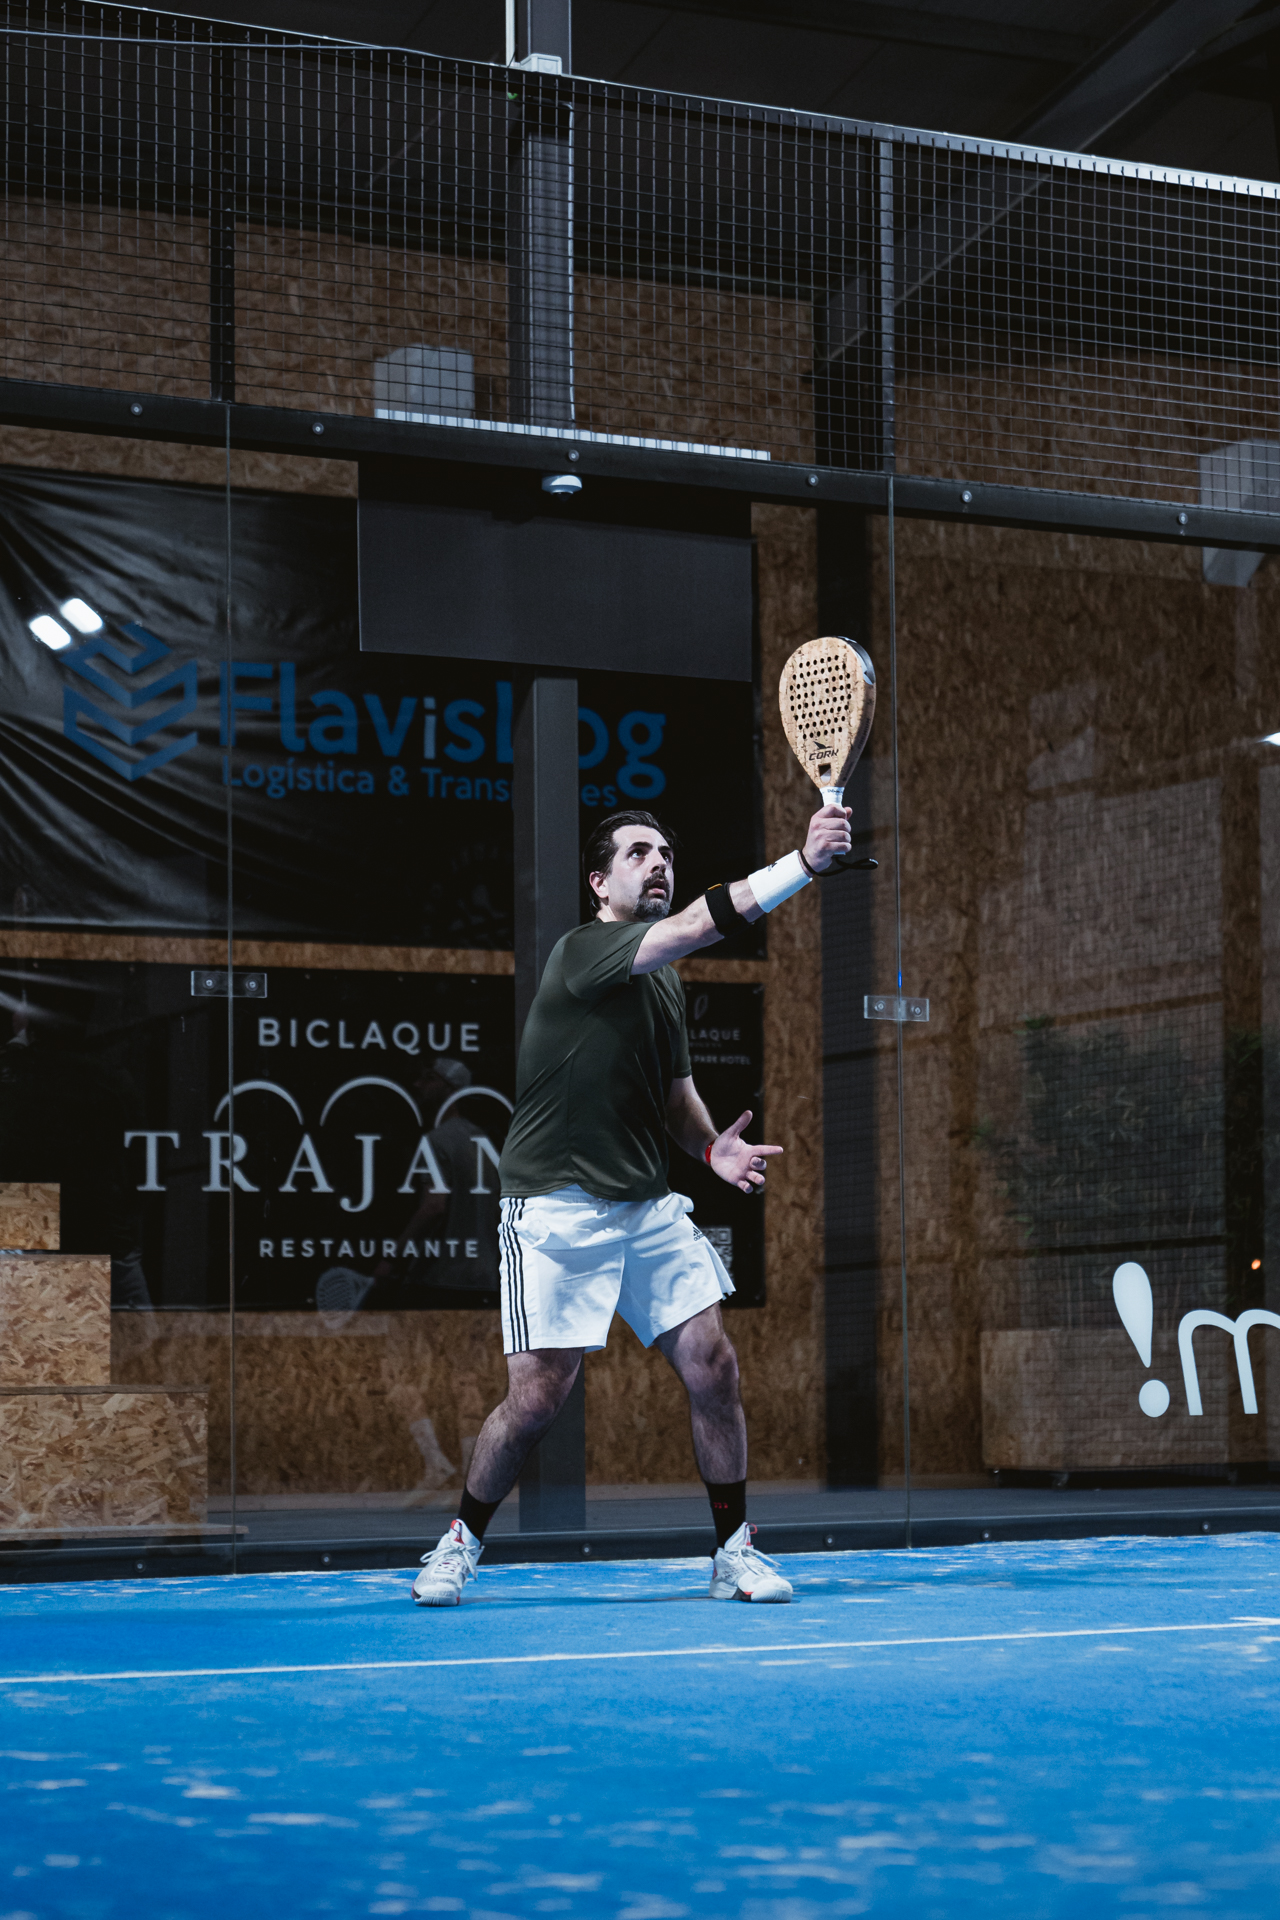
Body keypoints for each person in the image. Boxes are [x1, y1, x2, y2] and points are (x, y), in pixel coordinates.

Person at [412, 799, 852, 1607]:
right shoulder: (584, 951)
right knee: (537, 1399)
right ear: (598, 882)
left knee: (714, 1365)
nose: (659, 864)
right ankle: (459, 1543)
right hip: (555, 1208)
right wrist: (802, 865)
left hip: (646, 1207)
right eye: (639, 853)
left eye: (667, 855)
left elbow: (677, 1101)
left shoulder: (666, 987)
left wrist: (711, 1148)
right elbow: (696, 926)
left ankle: (733, 1552)